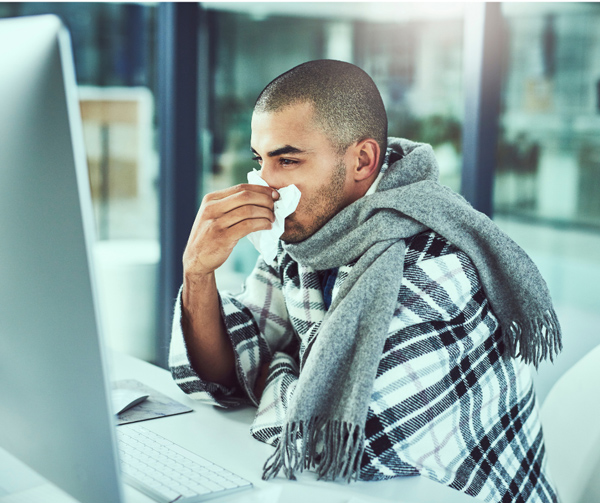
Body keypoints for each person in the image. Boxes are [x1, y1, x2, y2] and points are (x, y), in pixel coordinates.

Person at [169, 60, 561, 503]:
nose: (266, 185)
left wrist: (269, 370)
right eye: (260, 161)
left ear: (362, 160)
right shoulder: (309, 238)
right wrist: (198, 272)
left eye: (288, 160)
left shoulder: (434, 264)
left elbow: (336, 445)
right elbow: (225, 367)